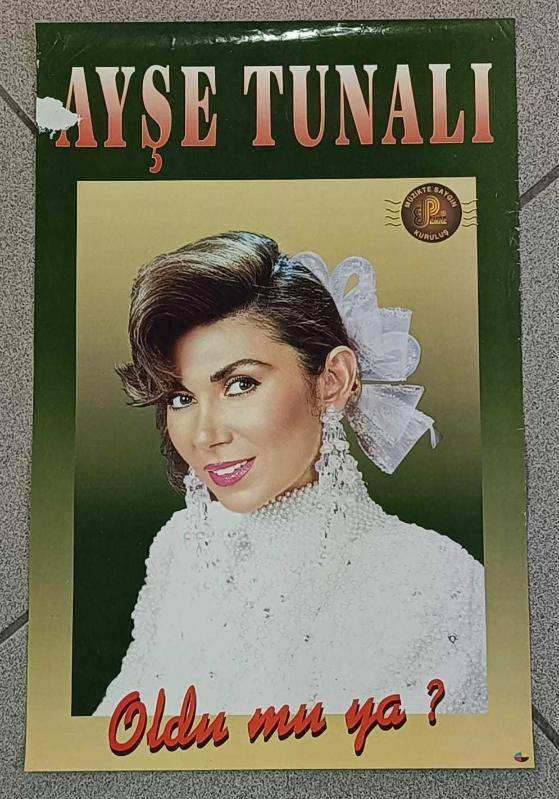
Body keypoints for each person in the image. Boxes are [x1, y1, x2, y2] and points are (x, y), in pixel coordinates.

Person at [94, 231, 487, 717]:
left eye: (240, 384)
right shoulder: (178, 549)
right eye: (181, 398)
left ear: (333, 381)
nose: (205, 434)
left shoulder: (437, 579)